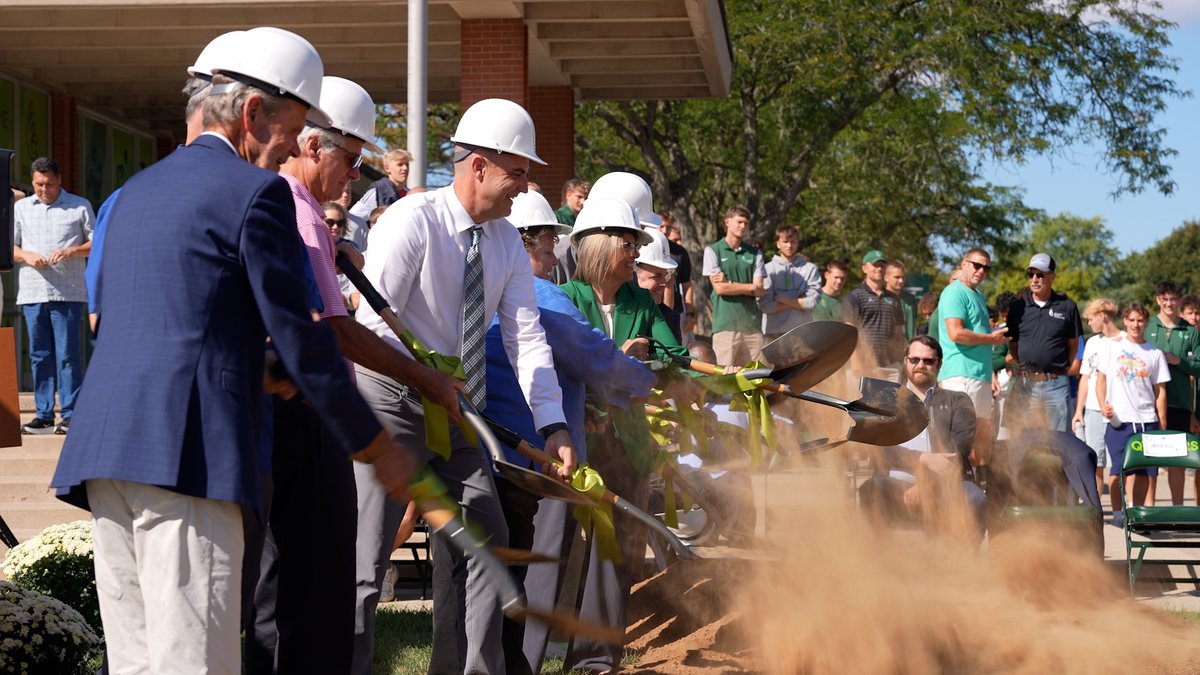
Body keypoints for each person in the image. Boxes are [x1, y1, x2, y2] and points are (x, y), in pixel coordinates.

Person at [49, 29, 416, 674]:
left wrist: (261, 367)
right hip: (189, 458)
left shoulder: (131, 194)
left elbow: (142, 324)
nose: (287, 154)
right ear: (252, 114)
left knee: (139, 665)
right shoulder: (256, 193)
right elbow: (303, 336)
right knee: (196, 663)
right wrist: (378, 447)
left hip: (107, 454)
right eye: (291, 131)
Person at [246, 75, 463, 675]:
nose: (354, 176)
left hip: (292, 409)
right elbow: (334, 330)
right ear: (314, 146)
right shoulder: (299, 212)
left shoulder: (299, 212)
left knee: (286, 578)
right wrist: (425, 380)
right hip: (300, 412)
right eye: (350, 159)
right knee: (309, 577)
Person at [351, 98, 576, 675]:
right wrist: (423, 377)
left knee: (489, 538)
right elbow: (372, 328)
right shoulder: (410, 222)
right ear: (478, 166)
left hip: (453, 408)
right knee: (365, 558)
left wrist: (552, 424)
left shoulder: (505, 243)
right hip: (389, 400)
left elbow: (526, 338)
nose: (524, 188)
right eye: (517, 172)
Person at [481, 191, 656, 675]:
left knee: (501, 572)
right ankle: (526, 663)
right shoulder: (544, 296)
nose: (553, 254)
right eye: (548, 244)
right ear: (526, 243)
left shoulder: (480, 287)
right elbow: (596, 357)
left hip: (491, 450)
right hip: (541, 458)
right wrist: (648, 382)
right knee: (538, 564)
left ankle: (508, 662)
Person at [559, 196, 699, 673]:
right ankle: (559, 644)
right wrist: (622, 354)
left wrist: (662, 364)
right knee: (572, 552)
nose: (636, 252)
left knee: (619, 557)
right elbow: (564, 362)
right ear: (599, 245)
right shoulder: (566, 296)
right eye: (629, 242)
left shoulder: (641, 299)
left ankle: (598, 660)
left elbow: (674, 354)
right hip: (579, 443)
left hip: (630, 446)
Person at [859, 335, 986, 538]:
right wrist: (922, 458)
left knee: (974, 497)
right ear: (905, 361)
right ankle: (878, 562)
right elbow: (877, 448)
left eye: (928, 361)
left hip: (944, 484)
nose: (921, 365)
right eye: (915, 359)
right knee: (870, 489)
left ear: (939, 364)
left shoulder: (958, 401)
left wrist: (926, 486)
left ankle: (964, 564)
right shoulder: (885, 401)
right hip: (895, 484)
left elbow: (958, 451)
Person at [13, 157, 94, 435]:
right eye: (38, 184)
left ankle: (70, 414)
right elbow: (9, 248)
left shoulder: (79, 205)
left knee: (69, 355)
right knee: (39, 354)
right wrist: (26, 254)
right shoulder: (21, 208)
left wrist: (72, 251)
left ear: (59, 180)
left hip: (68, 291)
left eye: (48, 183)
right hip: (33, 290)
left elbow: (97, 243)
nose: (43, 189)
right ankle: (44, 415)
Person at [1096, 303, 1170, 527]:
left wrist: (1162, 424)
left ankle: (1136, 514)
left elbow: (1160, 392)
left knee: (1144, 472)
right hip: (1120, 420)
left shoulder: (1154, 353)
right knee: (1118, 469)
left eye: (1140, 320)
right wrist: (1103, 406)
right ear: (1125, 321)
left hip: (1147, 420)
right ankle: (1118, 514)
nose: (1136, 324)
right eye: (1132, 320)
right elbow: (1101, 380)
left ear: (1146, 323)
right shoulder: (1112, 348)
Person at [937, 248, 1009, 467]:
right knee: (960, 438)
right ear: (964, 264)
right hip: (960, 375)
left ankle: (977, 491)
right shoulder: (954, 292)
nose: (981, 271)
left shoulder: (977, 295)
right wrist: (990, 339)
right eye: (977, 265)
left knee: (983, 435)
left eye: (986, 267)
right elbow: (956, 333)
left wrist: (991, 375)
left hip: (980, 376)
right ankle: (955, 491)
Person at [1005, 253, 1083, 432]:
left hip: (1056, 383)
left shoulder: (1067, 306)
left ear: (1052, 277)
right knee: (1025, 438)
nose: (1034, 279)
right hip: (1026, 383)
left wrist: (1062, 369)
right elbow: (1013, 344)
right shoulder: (1018, 308)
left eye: (1040, 275)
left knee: (1060, 439)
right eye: (1031, 275)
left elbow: (1073, 344)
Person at [1145, 280, 1200, 505]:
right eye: (1165, 299)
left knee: (1176, 459)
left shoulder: (1190, 331)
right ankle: (1147, 510)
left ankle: (1177, 511)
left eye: (1173, 299)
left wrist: (1179, 361)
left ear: (1179, 300)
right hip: (1148, 403)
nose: (1169, 303)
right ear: (1158, 300)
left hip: (1179, 403)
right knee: (1149, 460)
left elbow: (1198, 366)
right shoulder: (1147, 326)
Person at [1072, 299, 1122, 508]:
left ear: (1103, 316)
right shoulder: (1092, 343)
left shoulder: (1125, 340)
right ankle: (1095, 509)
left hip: (1119, 412)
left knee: (1117, 465)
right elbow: (1085, 378)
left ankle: (1120, 511)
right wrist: (1078, 411)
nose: (1089, 323)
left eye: (1091, 319)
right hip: (1092, 410)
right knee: (1095, 461)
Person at [703, 204, 765, 366]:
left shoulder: (755, 253)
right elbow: (720, 289)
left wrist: (731, 284)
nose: (743, 226)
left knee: (759, 378)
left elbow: (759, 290)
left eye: (745, 223)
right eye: (739, 222)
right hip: (725, 325)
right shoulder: (712, 251)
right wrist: (749, 287)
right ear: (727, 222)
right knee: (723, 379)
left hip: (752, 326)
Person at [843, 249, 905, 374]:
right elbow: (849, 333)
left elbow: (898, 334)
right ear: (864, 268)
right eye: (875, 265)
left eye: (882, 265)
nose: (879, 268)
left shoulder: (895, 299)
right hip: (862, 364)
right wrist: (856, 361)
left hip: (889, 365)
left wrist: (900, 360)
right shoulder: (854, 296)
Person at [758, 225, 821, 342]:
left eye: (793, 241)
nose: (789, 246)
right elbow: (765, 306)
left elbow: (812, 302)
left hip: (803, 332)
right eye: (785, 241)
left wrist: (780, 299)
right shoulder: (767, 269)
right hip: (773, 334)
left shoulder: (810, 269)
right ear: (778, 244)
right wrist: (798, 302)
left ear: (798, 243)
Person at [348, 147, 412, 249]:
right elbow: (353, 217)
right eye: (400, 164)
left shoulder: (410, 194)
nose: (405, 168)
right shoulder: (379, 189)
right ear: (387, 168)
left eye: (407, 164)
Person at [636, 227, 683, 341]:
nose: (663, 283)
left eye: (665, 275)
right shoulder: (617, 311)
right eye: (656, 276)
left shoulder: (671, 318)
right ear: (634, 272)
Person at [886, 259, 918, 341]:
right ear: (886, 277)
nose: (901, 281)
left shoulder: (911, 300)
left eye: (903, 277)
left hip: (909, 349)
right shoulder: (879, 299)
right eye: (897, 277)